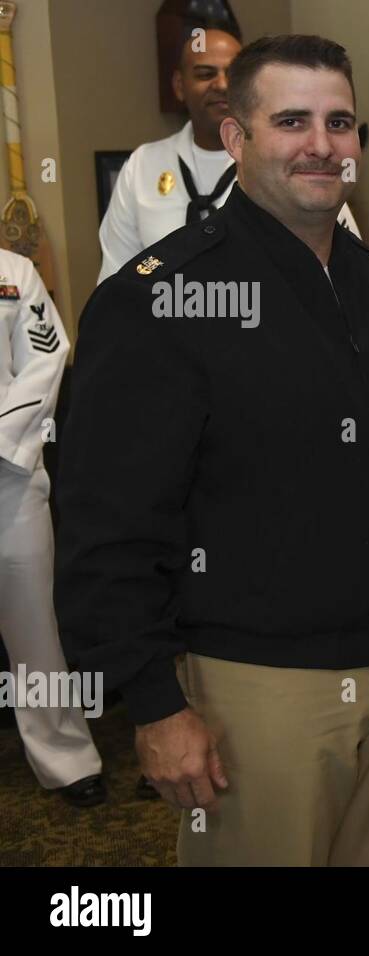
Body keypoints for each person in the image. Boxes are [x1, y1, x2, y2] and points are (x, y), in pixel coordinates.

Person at [55, 34, 369, 866]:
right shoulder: (162, 300)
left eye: (340, 122)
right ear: (234, 139)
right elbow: (107, 522)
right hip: (255, 689)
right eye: (292, 120)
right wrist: (152, 704)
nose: (322, 144)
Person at [96, 20, 359, 285]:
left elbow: (346, 276)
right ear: (179, 85)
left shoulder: (296, 174)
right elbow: (117, 278)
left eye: (231, 74)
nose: (221, 85)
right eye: (205, 73)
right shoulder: (142, 167)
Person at [0, 248, 104, 808]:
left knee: (35, 627)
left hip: (10, 483)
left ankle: (65, 756)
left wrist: (2, 443)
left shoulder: (13, 272)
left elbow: (48, 356)